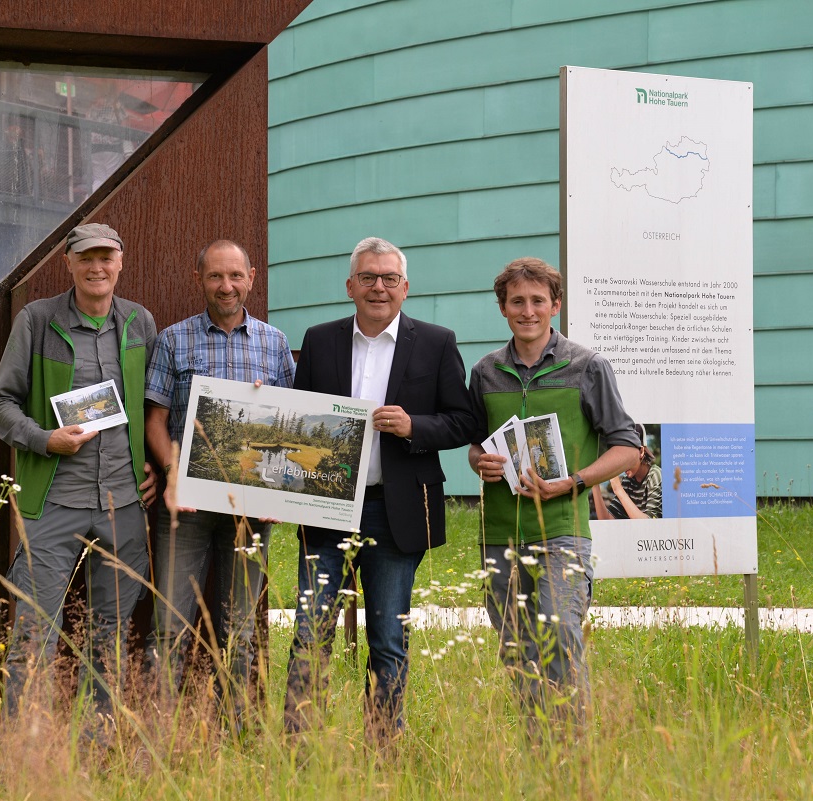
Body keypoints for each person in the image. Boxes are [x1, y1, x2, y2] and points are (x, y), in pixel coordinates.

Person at [283, 236, 476, 742]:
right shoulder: (319, 340)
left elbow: (462, 421)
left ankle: (382, 747)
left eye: (389, 278)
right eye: (368, 277)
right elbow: (298, 419)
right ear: (350, 285)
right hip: (326, 507)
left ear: (405, 288)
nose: (379, 287)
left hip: (396, 510)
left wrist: (414, 427)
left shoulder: (436, 342)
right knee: (310, 632)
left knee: (388, 638)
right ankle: (299, 748)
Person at [0, 223, 157, 732]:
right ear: (69, 263)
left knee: (111, 632)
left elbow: (153, 403)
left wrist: (153, 461)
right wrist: (45, 440)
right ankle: (24, 745)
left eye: (106, 256)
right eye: (86, 257)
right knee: (34, 630)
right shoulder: (37, 320)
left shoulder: (140, 322)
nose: (96, 267)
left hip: (123, 501)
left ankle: (96, 741)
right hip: (54, 500)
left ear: (121, 262)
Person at [467, 257, 640, 726]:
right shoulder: (484, 372)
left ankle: (570, 754)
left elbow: (627, 446)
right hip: (499, 534)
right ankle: (537, 750)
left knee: (561, 637)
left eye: (538, 301)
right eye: (517, 302)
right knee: (517, 651)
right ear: (503, 307)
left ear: (555, 305)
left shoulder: (587, 367)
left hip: (563, 531)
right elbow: (476, 445)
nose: (528, 311)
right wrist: (479, 460)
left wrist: (574, 482)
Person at [143, 240, 294, 731]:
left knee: (240, 632)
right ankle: (157, 738)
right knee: (169, 626)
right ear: (199, 279)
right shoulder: (173, 340)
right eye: (215, 276)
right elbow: (154, 421)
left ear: (251, 278)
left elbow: (289, 424)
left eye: (235, 276)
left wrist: (278, 489)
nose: (226, 286)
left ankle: (238, 736)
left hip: (251, 507)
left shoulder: (275, 343)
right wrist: (174, 472)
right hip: (186, 506)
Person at [593, 422, 662, 519]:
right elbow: (607, 520)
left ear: (641, 452)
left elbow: (648, 524)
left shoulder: (655, 475)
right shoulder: (628, 481)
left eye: (627, 455)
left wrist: (618, 489)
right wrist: (594, 483)